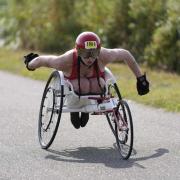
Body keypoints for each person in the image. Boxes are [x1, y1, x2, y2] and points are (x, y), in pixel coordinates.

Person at [24, 31, 149, 129]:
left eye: (93, 53)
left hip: (94, 86)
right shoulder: (66, 60)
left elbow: (125, 54)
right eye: (85, 53)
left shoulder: (104, 55)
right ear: (78, 51)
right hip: (74, 88)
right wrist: (30, 64)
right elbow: (44, 60)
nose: (89, 58)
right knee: (83, 84)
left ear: (99, 51)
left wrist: (140, 79)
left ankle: (86, 109)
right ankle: (75, 110)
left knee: (98, 84)